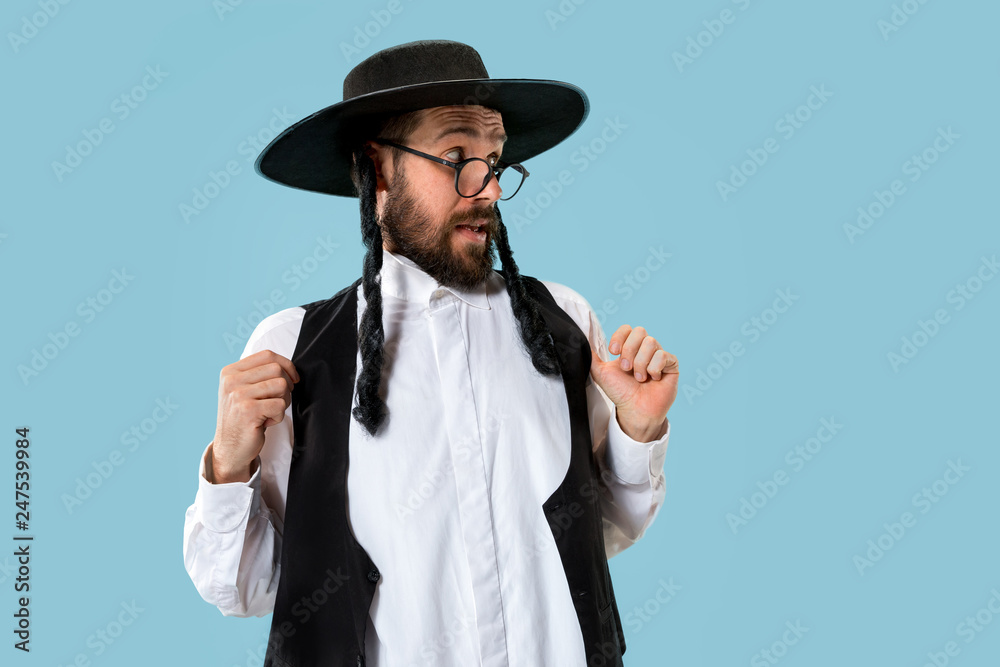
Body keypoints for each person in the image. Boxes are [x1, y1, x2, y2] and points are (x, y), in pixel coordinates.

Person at [182, 40, 679, 667]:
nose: (490, 189)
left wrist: (640, 431)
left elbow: (603, 532)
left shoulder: (563, 323)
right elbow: (245, 589)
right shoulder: (296, 349)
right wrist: (229, 464)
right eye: (457, 157)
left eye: (495, 161)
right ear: (377, 167)